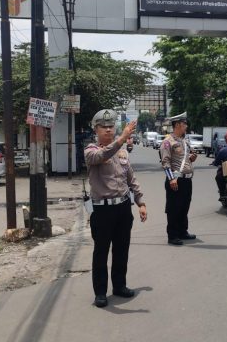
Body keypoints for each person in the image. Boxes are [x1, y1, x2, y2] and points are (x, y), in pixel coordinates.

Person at [84, 109, 147, 308]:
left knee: (122, 249)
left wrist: (141, 202)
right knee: (101, 252)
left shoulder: (122, 151)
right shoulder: (91, 151)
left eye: (111, 127)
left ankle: (119, 285)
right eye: (104, 127)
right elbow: (104, 153)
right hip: (102, 211)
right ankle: (100, 292)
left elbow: (131, 178)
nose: (109, 130)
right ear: (96, 129)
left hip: (122, 208)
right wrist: (122, 138)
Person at [160, 112, 197, 246]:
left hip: (187, 180)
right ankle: (173, 235)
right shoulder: (167, 142)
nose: (186, 126)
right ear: (177, 125)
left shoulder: (184, 141)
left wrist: (192, 158)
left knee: (184, 207)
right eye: (184, 124)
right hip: (176, 179)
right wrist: (171, 179)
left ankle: (183, 231)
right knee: (174, 208)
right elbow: (165, 162)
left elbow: (187, 158)